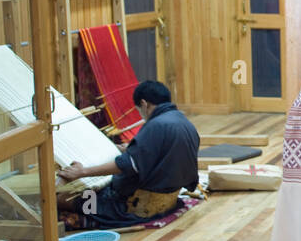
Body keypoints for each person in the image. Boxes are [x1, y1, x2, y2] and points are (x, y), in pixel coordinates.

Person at [57, 80, 200, 229]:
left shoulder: (156, 125)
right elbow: (161, 154)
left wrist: (83, 172)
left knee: (68, 199)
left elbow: (125, 165)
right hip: (168, 199)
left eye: (139, 110)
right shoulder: (183, 122)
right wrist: (130, 149)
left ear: (144, 104)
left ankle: (87, 211)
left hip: (133, 207)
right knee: (95, 192)